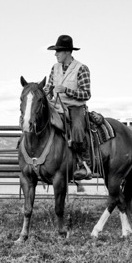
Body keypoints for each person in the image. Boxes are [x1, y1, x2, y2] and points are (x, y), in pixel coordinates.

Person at [43, 35, 92, 180]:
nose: (55, 54)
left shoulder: (82, 68)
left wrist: (66, 90)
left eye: (58, 51)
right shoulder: (55, 68)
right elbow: (49, 87)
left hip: (75, 107)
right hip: (57, 106)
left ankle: (84, 164)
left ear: (68, 52)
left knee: (77, 129)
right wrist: (44, 93)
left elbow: (86, 94)